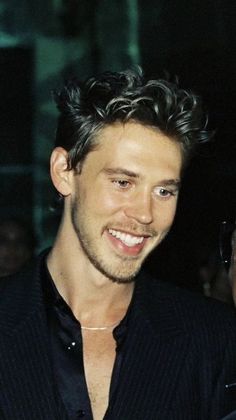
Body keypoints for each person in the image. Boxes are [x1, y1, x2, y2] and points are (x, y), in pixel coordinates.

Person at [0, 68, 236, 420]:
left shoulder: (215, 339)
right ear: (64, 171)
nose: (145, 214)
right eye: (123, 182)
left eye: (164, 191)